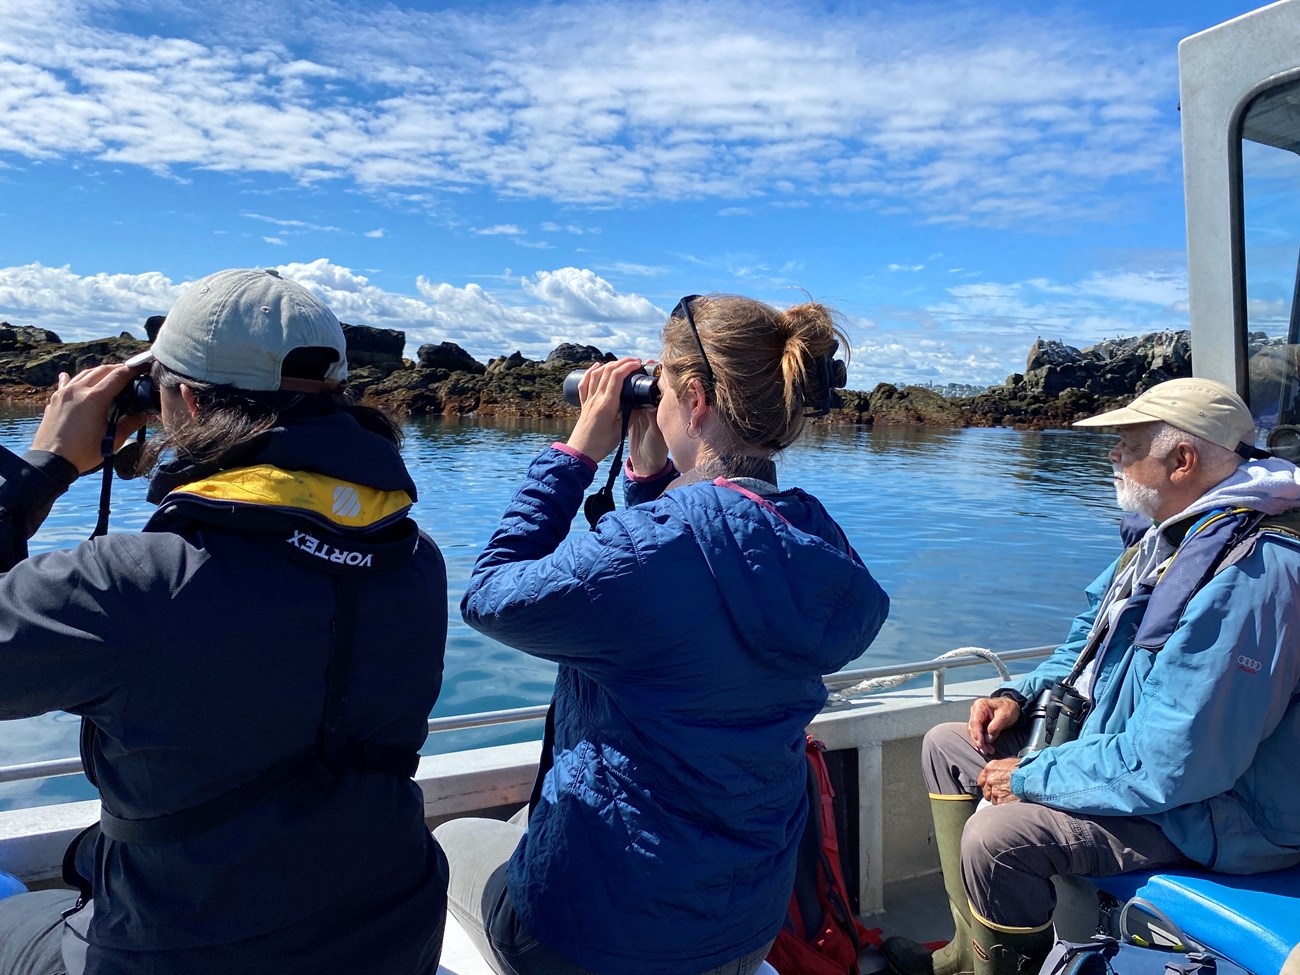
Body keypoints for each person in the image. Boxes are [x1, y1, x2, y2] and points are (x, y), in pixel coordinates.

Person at [0, 268, 449, 975]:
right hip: (390, 935)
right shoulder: (414, 558)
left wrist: (43, 464)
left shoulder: (133, 584)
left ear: (178, 397)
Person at [438, 294, 890, 975]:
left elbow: (490, 594)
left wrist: (575, 453)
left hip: (601, 939)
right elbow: (701, 575)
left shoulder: (653, 550)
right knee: (526, 827)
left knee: (452, 841)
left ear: (695, 396)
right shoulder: (817, 542)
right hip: (743, 926)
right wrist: (647, 483)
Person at [883, 377, 1300, 975]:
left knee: (999, 838)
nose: (1112, 456)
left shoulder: (1255, 576)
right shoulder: (1163, 543)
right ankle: (964, 955)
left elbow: (1178, 762)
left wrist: (1032, 775)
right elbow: (1087, 643)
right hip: (1147, 764)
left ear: (1182, 461)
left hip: (1224, 812)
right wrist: (1015, 693)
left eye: (1128, 445)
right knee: (949, 745)